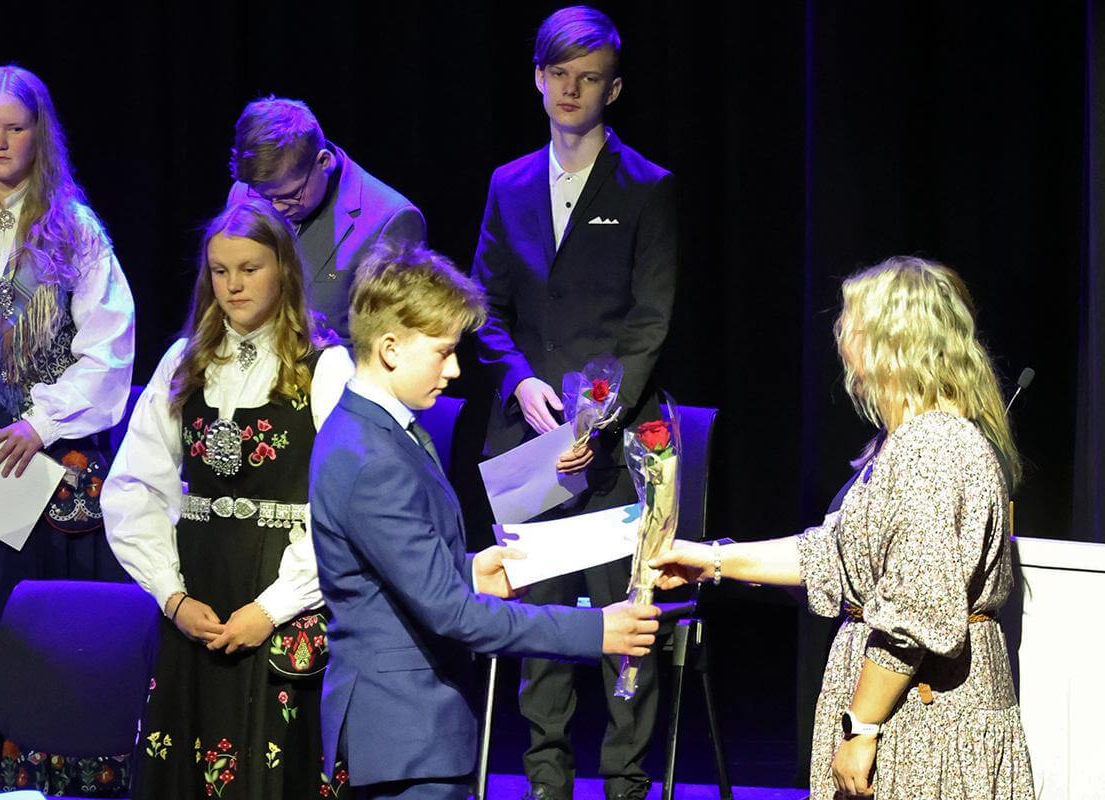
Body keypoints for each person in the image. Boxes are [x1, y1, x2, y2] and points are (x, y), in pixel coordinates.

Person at [651, 257, 1036, 799]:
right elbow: (834, 557)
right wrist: (713, 560)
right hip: (913, 707)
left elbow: (918, 609)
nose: (840, 335)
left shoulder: (932, 446)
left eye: (850, 321)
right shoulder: (906, 442)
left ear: (891, 340)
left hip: (925, 717)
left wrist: (863, 725)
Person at [310, 241, 661, 800]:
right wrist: (596, 630)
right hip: (403, 734)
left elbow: (395, 570)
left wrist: (470, 570)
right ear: (391, 348)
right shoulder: (371, 457)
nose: (454, 370)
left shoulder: (382, 432)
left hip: (415, 729)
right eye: (443, 352)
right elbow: (453, 615)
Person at [470, 8, 677, 800]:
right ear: (537, 77)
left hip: (619, 446)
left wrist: (598, 414)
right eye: (558, 74)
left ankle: (625, 782)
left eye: (588, 78)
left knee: (628, 623)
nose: (571, 90)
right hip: (532, 442)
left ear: (612, 90)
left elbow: (650, 321)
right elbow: (484, 306)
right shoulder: (509, 184)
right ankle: (546, 781)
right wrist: (520, 380)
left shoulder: (649, 188)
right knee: (543, 622)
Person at [0, 65, 135, 794]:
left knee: (39, 626)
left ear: (38, 134)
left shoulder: (76, 232)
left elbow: (108, 351)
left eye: (14, 128)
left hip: (48, 467)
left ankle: (52, 774)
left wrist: (41, 423)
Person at [102, 199, 355, 799]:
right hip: (199, 589)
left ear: (283, 269)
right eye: (220, 271)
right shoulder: (185, 360)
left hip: (283, 591)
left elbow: (344, 507)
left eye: (249, 269)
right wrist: (171, 596)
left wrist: (273, 607)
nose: (233, 285)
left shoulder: (323, 366)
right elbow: (135, 484)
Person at [226, 96, 425, 340]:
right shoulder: (243, 193)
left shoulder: (392, 220)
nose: (275, 208)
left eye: (291, 195)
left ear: (323, 162)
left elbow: (391, 341)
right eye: (264, 197)